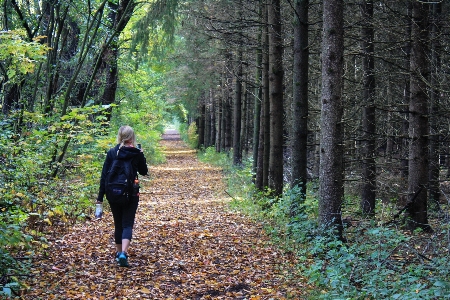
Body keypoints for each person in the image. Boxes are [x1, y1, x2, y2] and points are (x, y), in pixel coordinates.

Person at [96, 125, 148, 267]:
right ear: (132, 137)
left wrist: (100, 197)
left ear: (120, 136)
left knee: (118, 224)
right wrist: (141, 154)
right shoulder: (136, 153)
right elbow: (144, 171)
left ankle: (119, 254)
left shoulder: (112, 153)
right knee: (127, 224)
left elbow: (104, 176)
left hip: (113, 194)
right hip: (131, 194)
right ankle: (124, 252)